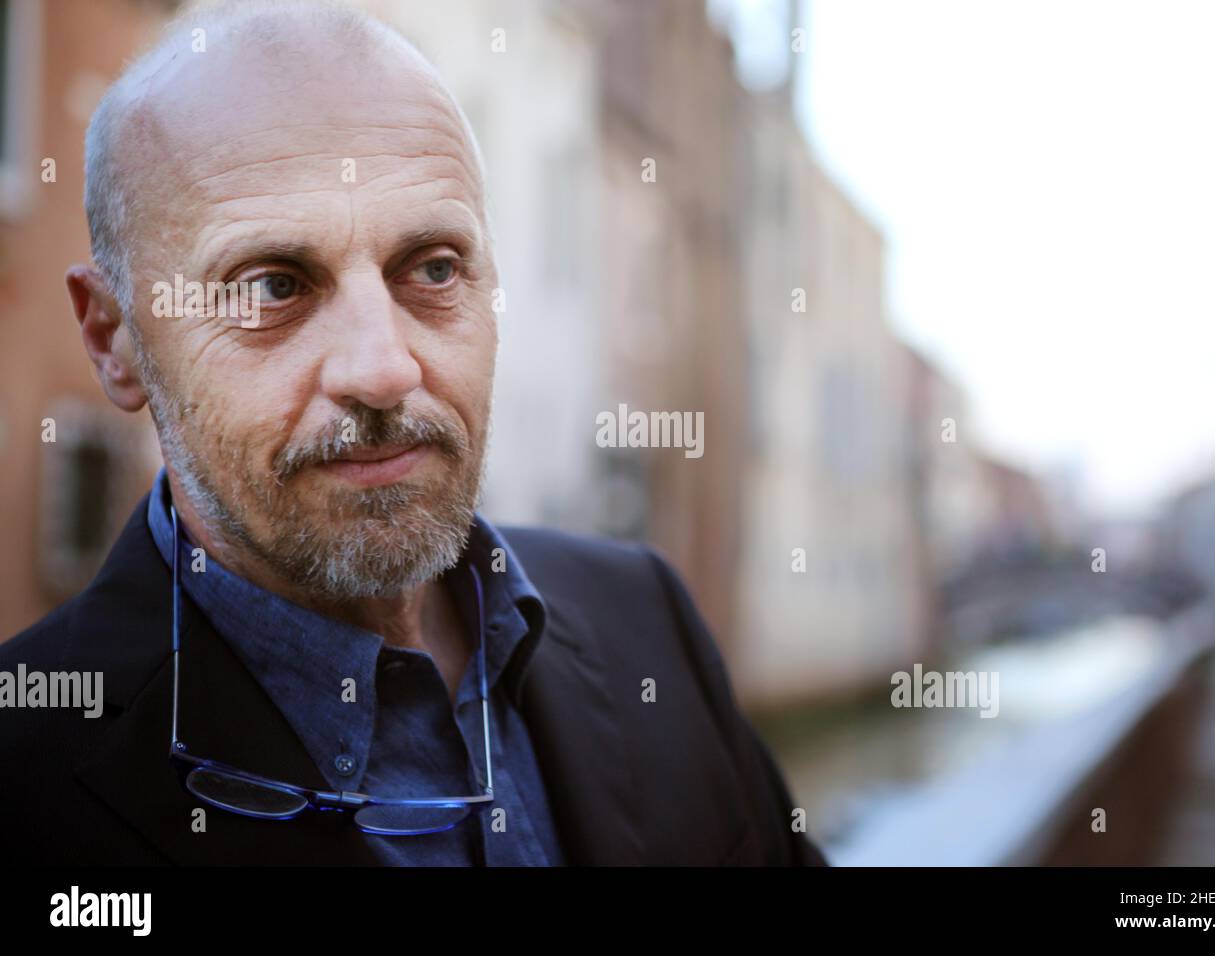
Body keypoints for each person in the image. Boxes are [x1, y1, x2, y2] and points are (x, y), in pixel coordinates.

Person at [0, 0, 827, 866]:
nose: (384, 368)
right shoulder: (30, 776)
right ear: (115, 338)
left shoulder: (647, 621)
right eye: (273, 287)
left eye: (433, 268)